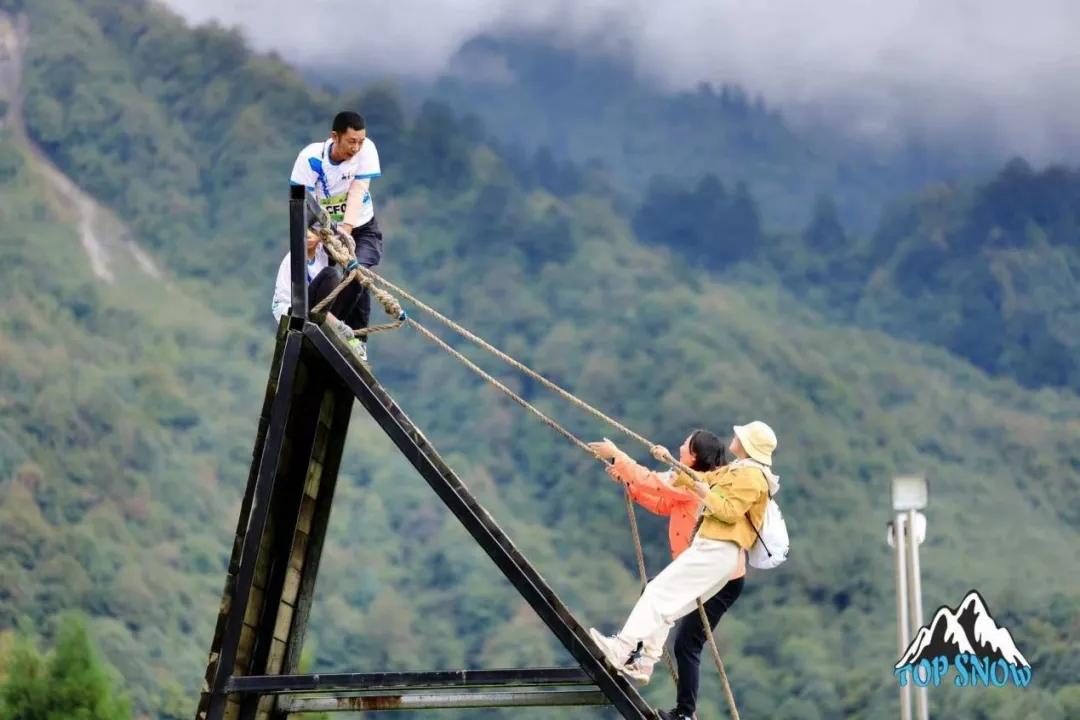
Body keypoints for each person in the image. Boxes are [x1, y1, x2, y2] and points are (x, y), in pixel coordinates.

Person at [587, 421, 780, 704]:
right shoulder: (738, 471)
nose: (735, 436)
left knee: (672, 618)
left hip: (719, 550)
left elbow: (724, 508)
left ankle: (623, 649)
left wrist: (619, 456)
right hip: (715, 552)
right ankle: (643, 660)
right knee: (666, 606)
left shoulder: (751, 476)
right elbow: (672, 495)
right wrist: (669, 466)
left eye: (684, 447)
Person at [287, 110, 383, 363]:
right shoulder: (310, 159)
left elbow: (357, 191)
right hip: (326, 233)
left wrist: (347, 233)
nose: (356, 147)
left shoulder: (367, 151)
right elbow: (301, 202)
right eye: (351, 141)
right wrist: (314, 234)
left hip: (360, 228)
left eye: (360, 141)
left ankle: (357, 340)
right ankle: (329, 328)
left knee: (358, 273)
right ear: (335, 137)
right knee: (333, 281)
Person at [270, 228, 362, 350]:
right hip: (294, 312)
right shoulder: (294, 259)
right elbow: (290, 303)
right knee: (331, 274)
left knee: (354, 283)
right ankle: (335, 329)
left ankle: (337, 330)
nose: (308, 235)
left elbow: (345, 243)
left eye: (313, 231)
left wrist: (337, 233)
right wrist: (338, 326)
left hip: (319, 310)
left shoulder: (323, 252)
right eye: (305, 231)